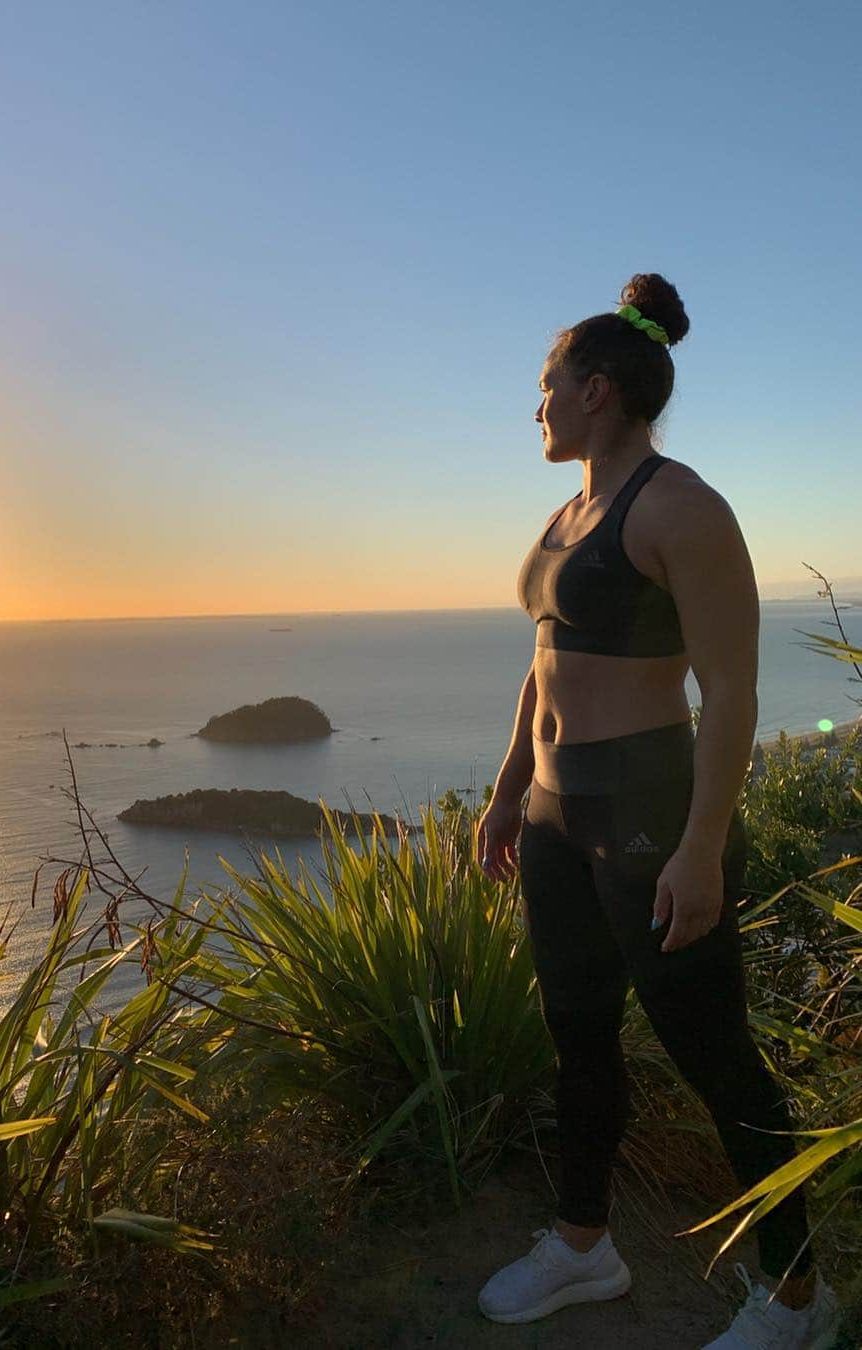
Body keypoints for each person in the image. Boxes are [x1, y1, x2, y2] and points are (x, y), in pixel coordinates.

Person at [473, 274, 840, 1348]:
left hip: (648, 820)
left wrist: (700, 850)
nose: (534, 407)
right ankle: (587, 1247)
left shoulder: (684, 508)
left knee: (719, 1059)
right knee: (577, 1038)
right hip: (553, 821)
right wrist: (506, 796)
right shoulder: (565, 513)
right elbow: (545, 666)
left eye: (544, 387)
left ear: (594, 390)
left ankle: (799, 1303)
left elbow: (731, 692)